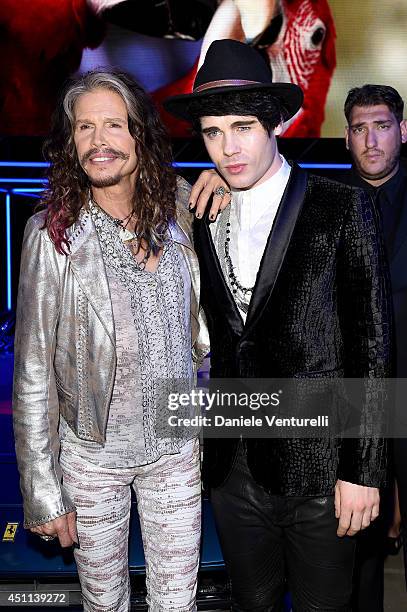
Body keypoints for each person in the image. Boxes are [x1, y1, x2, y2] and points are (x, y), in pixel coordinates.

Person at [164, 39, 393, 610]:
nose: (227, 148)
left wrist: (365, 471)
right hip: (233, 470)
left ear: (276, 125)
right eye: (213, 133)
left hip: (322, 473)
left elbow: (371, 347)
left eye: (242, 128)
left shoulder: (340, 206)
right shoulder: (202, 210)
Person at [12, 68, 229, 612]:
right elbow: (33, 371)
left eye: (114, 125)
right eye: (84, 128)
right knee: (104, 604)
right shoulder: (52, 234)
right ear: (70, 141)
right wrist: (43, 491)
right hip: (91, 461)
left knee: (176, 602)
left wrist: (224, 179)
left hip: (176, 453)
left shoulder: (179, 207)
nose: (99, 142)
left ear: (141, 135)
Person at [342, 84, 407, 611]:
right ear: (346, 138)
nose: (371, 139)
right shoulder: (323, 206)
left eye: (382, 125)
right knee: (355, 550)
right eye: (360, 128)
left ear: (402, 131)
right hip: (355, 403)